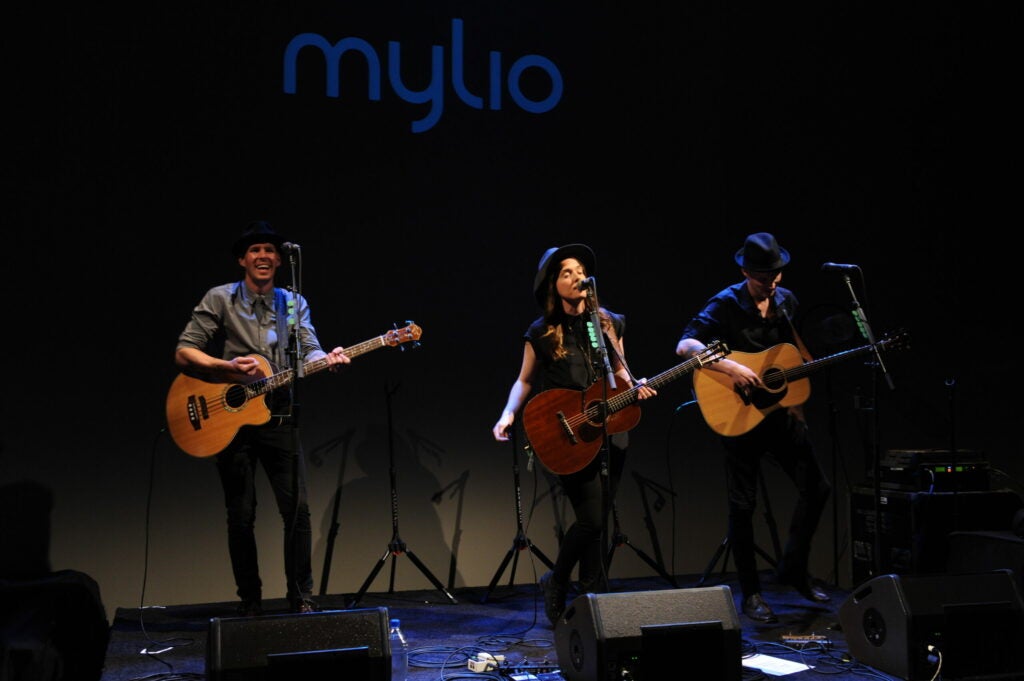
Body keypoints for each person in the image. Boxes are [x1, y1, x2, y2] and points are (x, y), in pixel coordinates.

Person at [174, 220, 351, 616]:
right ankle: (250, 601)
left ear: (279, 261)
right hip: (229, 418)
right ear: (243, 259)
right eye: (255, 250)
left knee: (298, 512)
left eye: (270, 251)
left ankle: (301, 598)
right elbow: (185, 352)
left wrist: (328, 360)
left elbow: (309, 350)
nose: (264, 256)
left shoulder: (294, 303)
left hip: (280, 416)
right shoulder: (220, 298)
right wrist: (226, 368)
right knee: (240, 515)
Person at [492, 244, 656, 626]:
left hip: (609, 430)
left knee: (599, 519)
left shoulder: (608, 323)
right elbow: (525, 380)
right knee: (592, 521)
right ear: (553, 283)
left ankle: (590, 593)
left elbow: (620, 372)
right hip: (567, 433)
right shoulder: (542, 331)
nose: (577, 277)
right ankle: (558, 579)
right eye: (567, 272)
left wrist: (636, 385)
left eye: (581, 271)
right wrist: (507, 414)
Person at [675, 232, 832, 624]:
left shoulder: (787, 302)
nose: (772, 282)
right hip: (738, 414)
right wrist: (730, 365)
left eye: (777, 274)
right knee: (743, 506)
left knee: (818, 487)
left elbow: (788, 358)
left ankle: (793, 567)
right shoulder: (726, 303)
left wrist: (797, 404)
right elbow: (686, 346)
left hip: (778, 413)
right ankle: (752, 593)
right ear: (746, 271)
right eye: (764, 276)